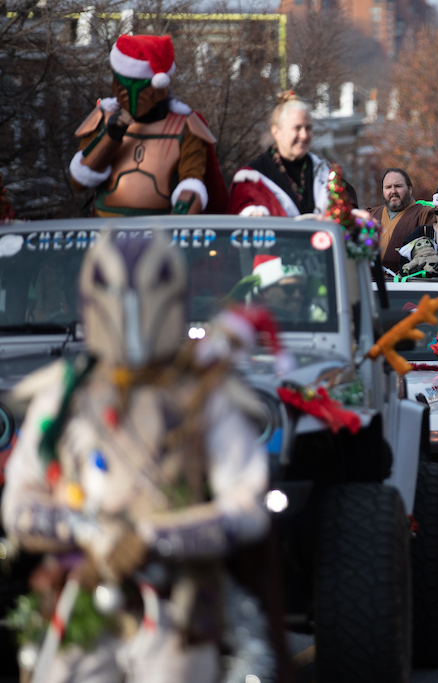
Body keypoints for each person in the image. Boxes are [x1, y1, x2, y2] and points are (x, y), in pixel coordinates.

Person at [3, 234, 275, 683]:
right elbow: (18, 503)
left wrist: (152, 537)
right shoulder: (64, 393)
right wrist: (91, 533)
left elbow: (248, 505)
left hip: (178, 605)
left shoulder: (206, 394)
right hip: (83, 594)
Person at [69, 34, 225, 216]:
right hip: (106, 226)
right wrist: (110, 137)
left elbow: (192, 182)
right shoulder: (103, 117)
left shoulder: (185, 126)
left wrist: (179, 218)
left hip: (160, 228)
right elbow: (79, 181)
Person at [229, 92, 331, 217]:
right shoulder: (251, 179)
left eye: (308, 128)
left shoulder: (325, 171)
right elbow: (241, 214)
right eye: (297, 128)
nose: (304, 135)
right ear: (276, 132)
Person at [369, 168, 435, 274]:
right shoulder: (370, 215)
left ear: (410, 189)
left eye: (398, 186)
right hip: (371, 280)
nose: (393, 191)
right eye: (388, 187)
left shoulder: (425, 214)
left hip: (408, 280)